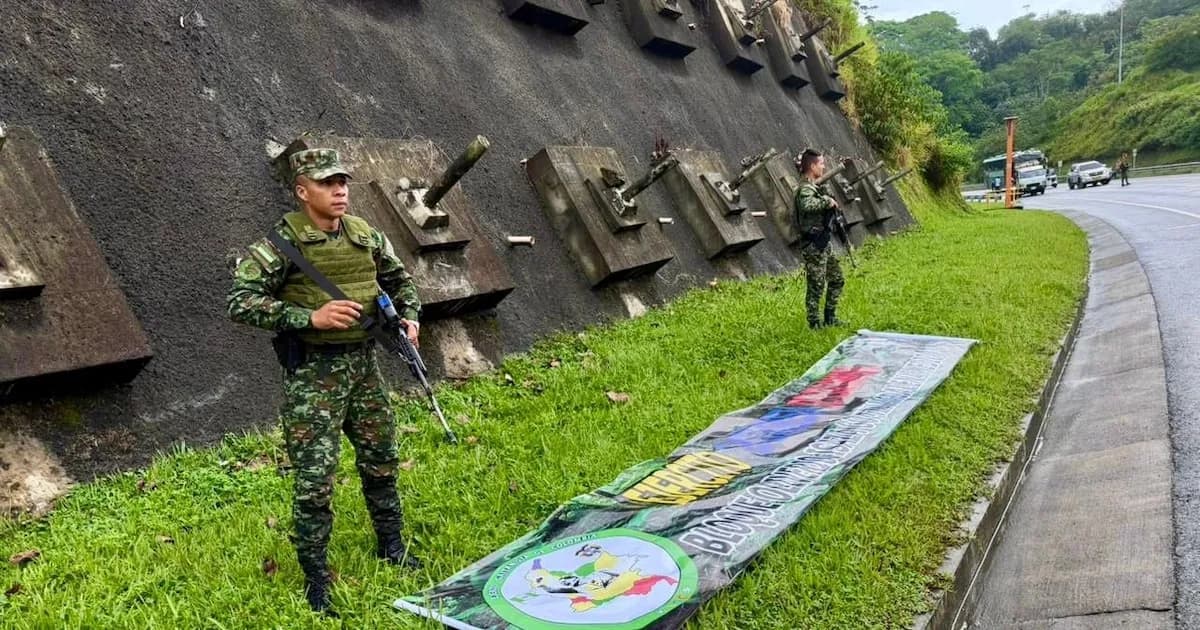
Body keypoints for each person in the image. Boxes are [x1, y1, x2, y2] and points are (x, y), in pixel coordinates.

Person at [227, 148, 423, 616]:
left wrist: (410, 317)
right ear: (302, 191)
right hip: (315, 375)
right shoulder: (281, 244)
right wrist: (308, 316)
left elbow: (401, 281)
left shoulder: (364, 235)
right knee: (315, 479)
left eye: (342, 182)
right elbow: (240, 300)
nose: (339, 191)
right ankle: (316, 576)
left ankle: (391, 545)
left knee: (381, 460)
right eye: (326, 183)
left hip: (364, 366)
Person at [793, 148, 846, 329]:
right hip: (813, 245)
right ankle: (814, 323)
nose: (824, 167)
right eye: (822, 164)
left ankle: (830, 317)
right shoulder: (804, 189)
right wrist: (826, 201)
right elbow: (807, 205)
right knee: (816, 285)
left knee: (837, 278)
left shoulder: (814, 187)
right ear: (813, 165)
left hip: (823, 243)